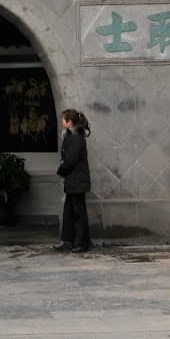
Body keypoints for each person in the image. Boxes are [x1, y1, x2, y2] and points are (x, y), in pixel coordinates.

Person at [53, 108, 92, 254]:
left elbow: (71, 159)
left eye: (63, 119)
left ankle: (80, 243)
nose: (62, 121)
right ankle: (68, 240)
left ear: (69, 122)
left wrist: (61, 170)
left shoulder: (75, 137)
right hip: (74, 180)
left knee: (77, 212)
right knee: (69, 211)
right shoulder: (72, 136)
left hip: (77, 180)